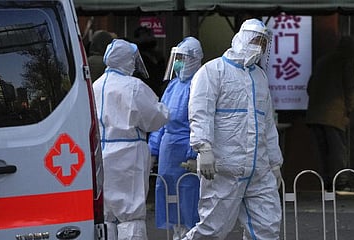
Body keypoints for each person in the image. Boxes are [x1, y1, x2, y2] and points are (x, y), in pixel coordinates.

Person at [182, 18, 283, 240]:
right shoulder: (213, 71)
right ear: (242, 39)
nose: (260, 48)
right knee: (212, 230)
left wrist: (275, 163)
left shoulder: (259, 77)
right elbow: (201, 112)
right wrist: (204, 148)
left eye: (264, 43)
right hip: (224, 169)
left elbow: (267, 125)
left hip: (259, 170)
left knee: (267, 228)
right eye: (256, 41)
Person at [93, 39, 170, 240]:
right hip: (129, 154)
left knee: (106, 214)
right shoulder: (134, 86)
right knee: (131, 214)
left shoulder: (95, 86)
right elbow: (157, 118)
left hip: (101, 153)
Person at [148, 37, 203, 240]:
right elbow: (160, 119)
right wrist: (153, 150)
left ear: (194, 59)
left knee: (189, 196)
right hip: (167, 150)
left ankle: (191, 234)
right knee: (169, 195)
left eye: (182, 58)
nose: (178, 62)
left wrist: (194, 152)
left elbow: (200, 123)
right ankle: (178, 234)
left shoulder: (199, 84)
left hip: (185, 149)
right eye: (176, 58)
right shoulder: (172, 86)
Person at [305, 35, 354, 194]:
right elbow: (351, 89)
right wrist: (349, 110)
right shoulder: (345, 61)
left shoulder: (322, 61)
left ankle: (326, 183)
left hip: (314, 114)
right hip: (334, 114)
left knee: (322, 151)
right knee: (338, 150)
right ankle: (341, 183)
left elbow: (309, 87)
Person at [133, 26, 167, 97]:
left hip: (157, 91)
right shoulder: (136, 57)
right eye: (147, 35)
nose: (151, 38)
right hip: (143, 92)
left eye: (151, 35)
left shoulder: (157, 56)